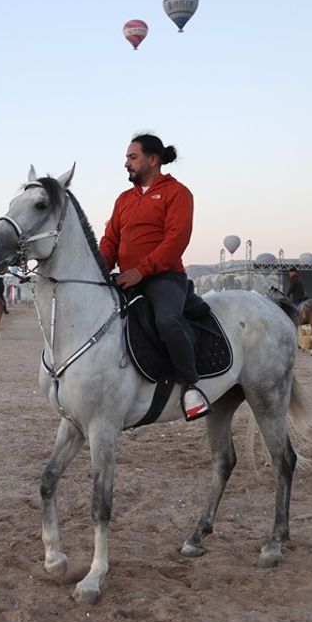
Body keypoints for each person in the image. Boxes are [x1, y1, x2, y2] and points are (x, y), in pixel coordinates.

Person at [100, 133, 209, 421]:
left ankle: (191, 386)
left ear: (153, 159)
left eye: (132, 157)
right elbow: (110, 240)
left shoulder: (178, 193)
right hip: (126, 277)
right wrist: (99, 268)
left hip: (164, 277)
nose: (126, 163)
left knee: (168, 321)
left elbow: (176, 240)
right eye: (126, 158)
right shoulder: (124, 199)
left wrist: (142, 270)